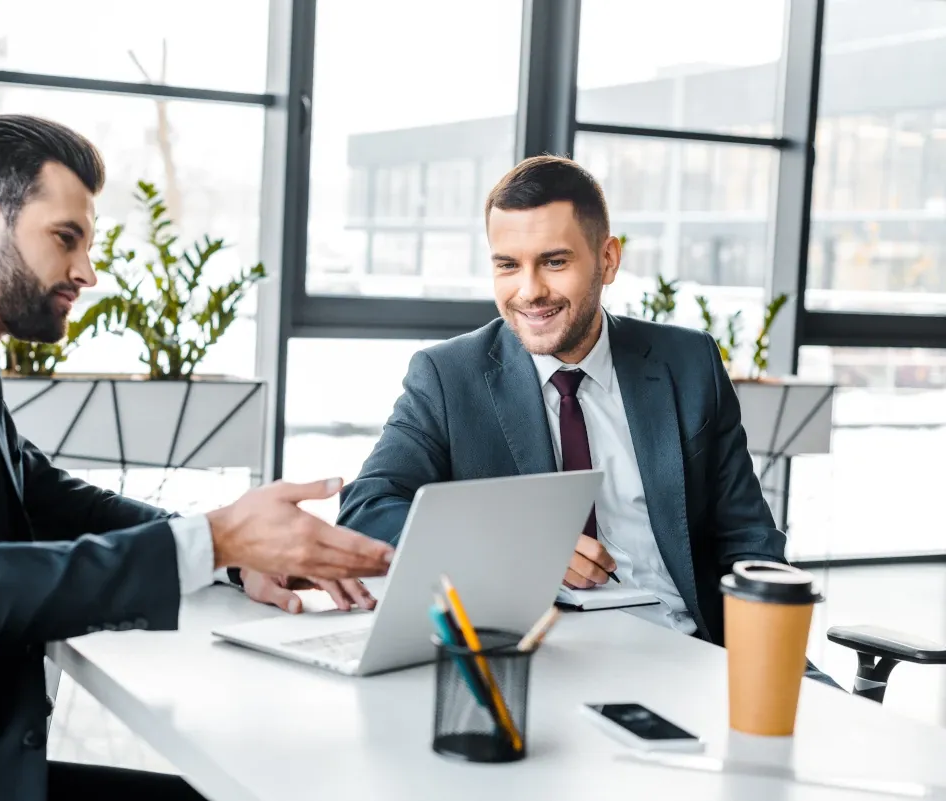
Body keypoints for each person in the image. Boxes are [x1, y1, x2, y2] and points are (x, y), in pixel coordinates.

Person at [0, 114, 394, 801]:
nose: (86, 271)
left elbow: (46, 498)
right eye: (66, 238)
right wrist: (214, 538)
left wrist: (234, 552)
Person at [321, 155, 835, 686]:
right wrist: (518, 543)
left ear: (608, 260)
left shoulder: (688, 363)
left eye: (555, 261)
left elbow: (747, 536)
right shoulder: (449, 376)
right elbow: (367, 510)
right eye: (507, 265)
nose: (529, 290)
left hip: (699, 652)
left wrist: (767, 661)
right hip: (545, 664)